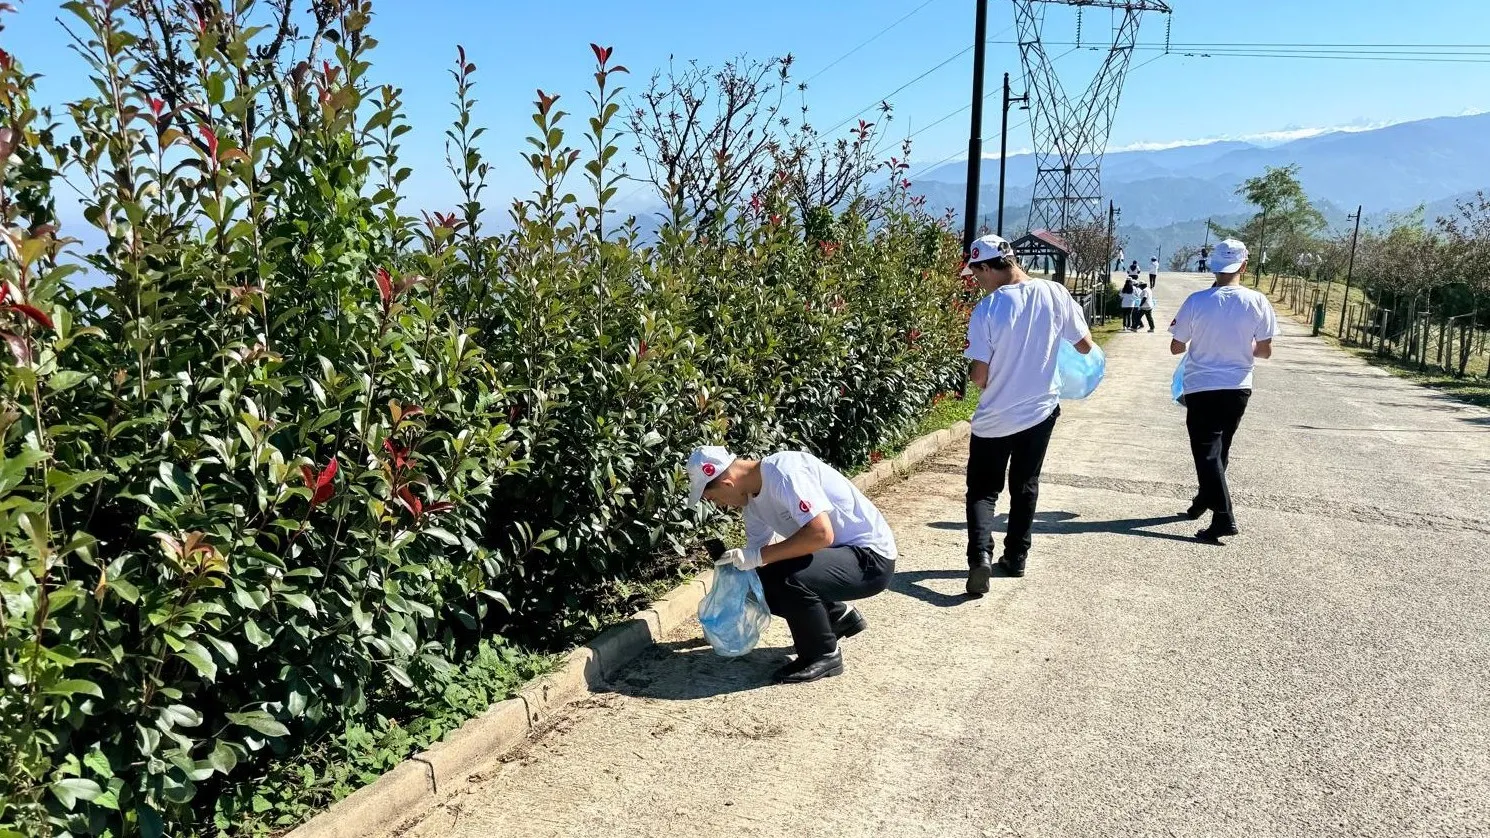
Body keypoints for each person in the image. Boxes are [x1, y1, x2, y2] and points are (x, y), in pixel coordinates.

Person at [687, 446, 897, 683]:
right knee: (763, 579)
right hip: (841, 558)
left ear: (727, 483)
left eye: (713, 498)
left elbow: (820, 534)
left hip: (870, 561)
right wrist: (738, 570)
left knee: (786, 577)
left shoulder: (783, 472)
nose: (719, 505)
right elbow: (760, 559)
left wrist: (757, 557)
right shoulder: (752, 503)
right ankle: (836, 617)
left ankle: (822, 654)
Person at [961, 234, 1095, 592]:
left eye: (977, 274)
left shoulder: (988, 309)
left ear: (989, 267)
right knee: (1026, 485)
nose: (977, 282)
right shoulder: (1055, 293)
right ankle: (1016, 557)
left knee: (983, 491)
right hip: (1040, 411)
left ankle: (980, 558)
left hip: (995, 417)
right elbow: (1084, 346)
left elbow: (979, 375)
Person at [1169, 238, 1278, 544]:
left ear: (1213, 267)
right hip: (1238, 387)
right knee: (1219, 449)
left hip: (1202, 386)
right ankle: (1203, 502)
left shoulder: (1196, 301)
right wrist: (1240, 344)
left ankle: (1224, 517)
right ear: (1244, 265)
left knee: (1205, 452)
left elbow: (1176, 346)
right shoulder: (1258, 302)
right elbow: (1266, 351)